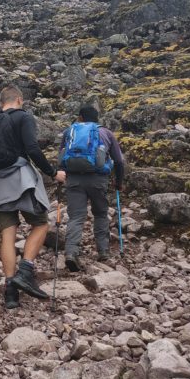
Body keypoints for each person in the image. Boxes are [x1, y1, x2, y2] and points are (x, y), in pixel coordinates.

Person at [0, 85, 66, 309]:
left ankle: (10, 292)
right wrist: (53, 173)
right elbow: (32, 149)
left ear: (1, 102)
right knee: (41, 224)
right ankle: (25, 270)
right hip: (20, 181)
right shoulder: (23, 117)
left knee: (8, 234)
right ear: (20, 100)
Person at [59, 105, 125, 271]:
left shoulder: (69, 132)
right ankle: (103, 251)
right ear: (97, 118)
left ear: (80, 117)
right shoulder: (106, 133)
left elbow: (61, 156)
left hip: (74, 179)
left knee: (76, 217)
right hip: (98, 180)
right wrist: (119, 181)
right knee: (101, 213)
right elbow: (118, 161)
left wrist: (60, 177)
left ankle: (71, 252)